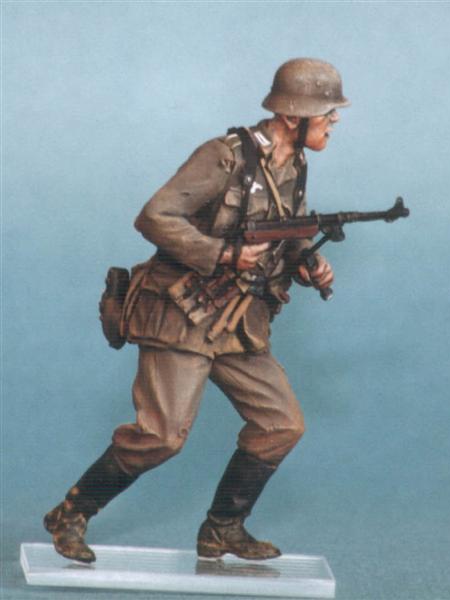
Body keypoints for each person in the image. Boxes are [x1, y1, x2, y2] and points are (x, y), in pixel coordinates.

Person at [43, 57, 349, 563]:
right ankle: (71, 513)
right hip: (181, 314)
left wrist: (306, 262)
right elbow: (155, 216)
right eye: (327, 112)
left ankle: (222, 528)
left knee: (281, 423)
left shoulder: (294, 165)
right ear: (293, 116)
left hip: (236, 319)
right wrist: (222, 254)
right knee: (160, 436)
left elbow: (285, 229)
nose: (334, 121)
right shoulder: (223, 157)